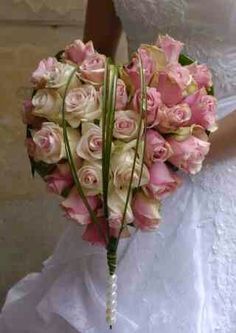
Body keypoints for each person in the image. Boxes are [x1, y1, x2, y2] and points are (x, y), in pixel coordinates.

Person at [1, 0, 236, 332]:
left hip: (221, 165)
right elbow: (91, 64)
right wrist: (76, 126)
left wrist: (173, 147)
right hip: (132, 164)